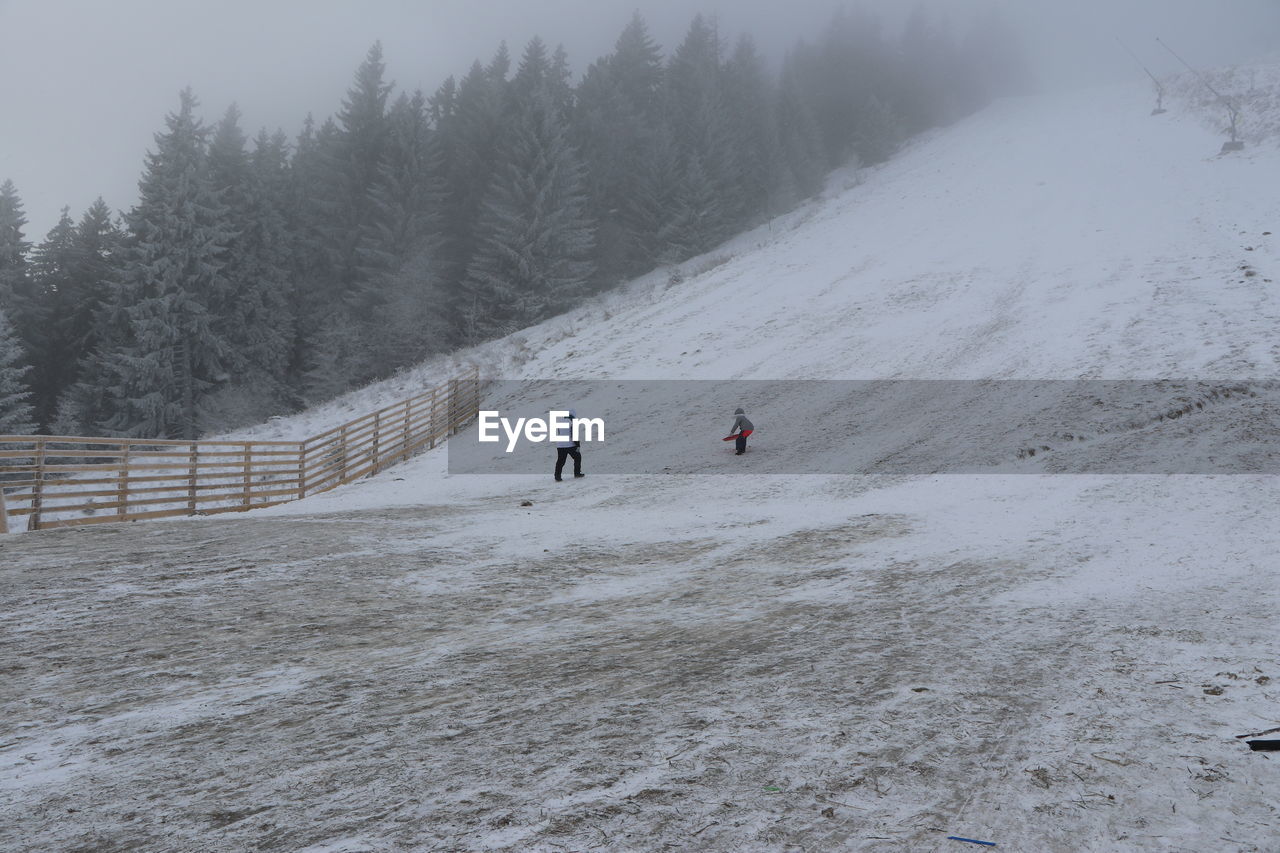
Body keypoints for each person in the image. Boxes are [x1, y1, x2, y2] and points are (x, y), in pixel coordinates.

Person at [555, 407, 585, 481]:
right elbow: (574, 434)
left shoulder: (559, 420)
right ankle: (577, 473)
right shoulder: (572, 421)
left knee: (560, 461)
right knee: (577, 457)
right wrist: (577, 445)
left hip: (560, 445)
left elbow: (558, 432)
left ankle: (557, 476)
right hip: (570, 445)